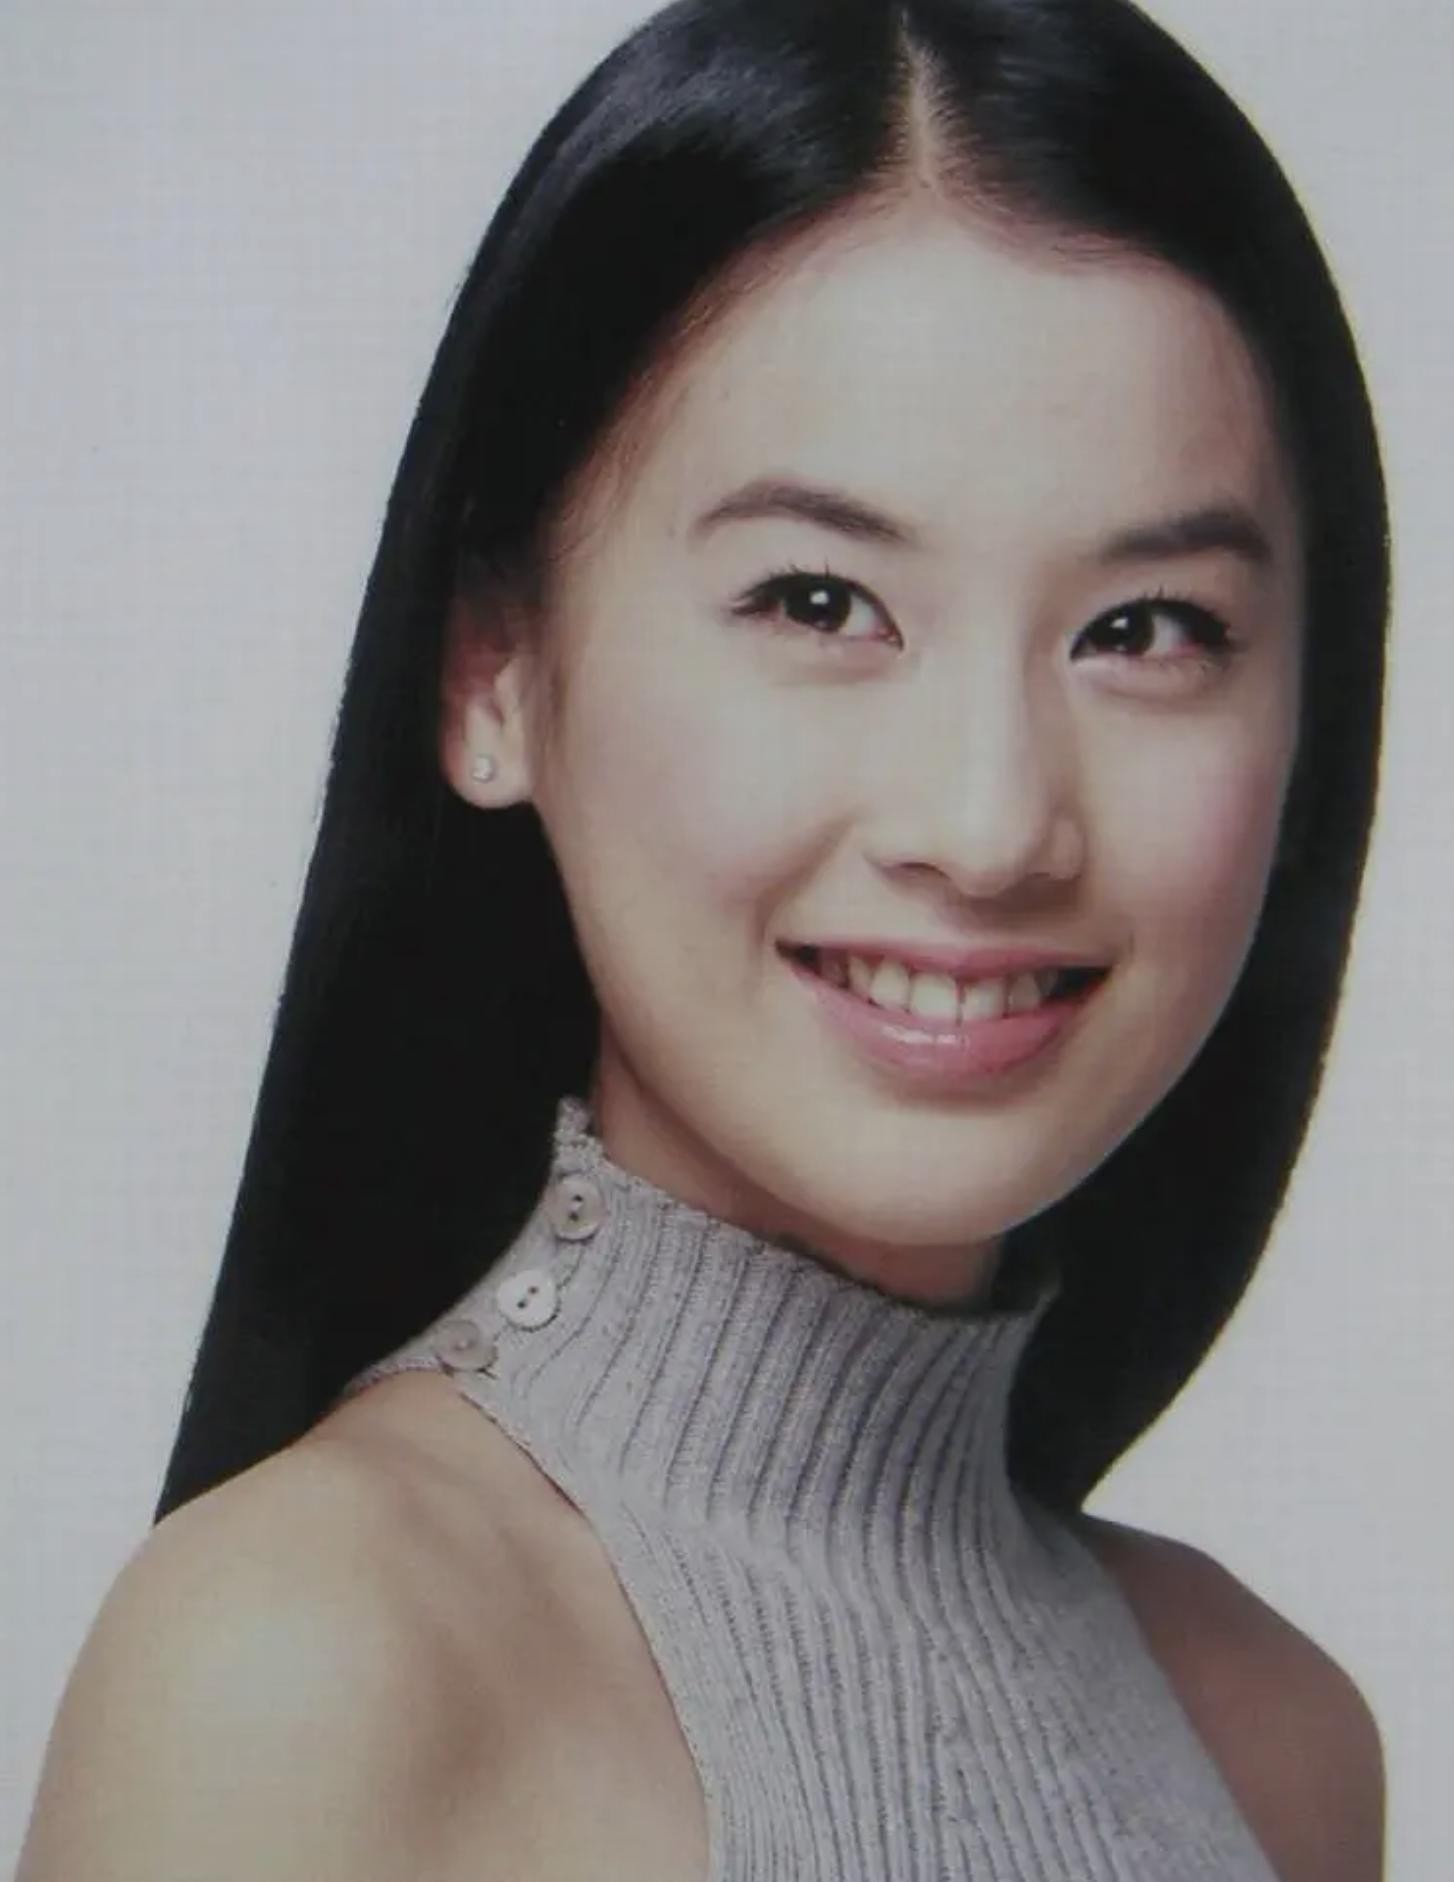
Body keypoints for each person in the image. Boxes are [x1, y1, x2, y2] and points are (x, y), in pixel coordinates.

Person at [17, 0, 1389, 1876]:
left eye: (1144, 629)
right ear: (493, 670)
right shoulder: (312, 1669)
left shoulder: (1275, 1745)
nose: (988, 821)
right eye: (818, 600)